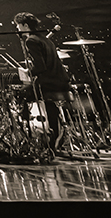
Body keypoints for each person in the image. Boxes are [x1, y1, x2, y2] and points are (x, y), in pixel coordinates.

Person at [13, 11, 71, 154]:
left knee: (19, 95)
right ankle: (54, 141)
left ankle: (27, 136)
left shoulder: (31, 40)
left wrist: (27, 72)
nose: (17, 29)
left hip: (49, 83)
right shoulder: (46, 40)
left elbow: (40, 67)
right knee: (51, 107)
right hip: (61, 81)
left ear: (25, 25)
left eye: (18, 26)